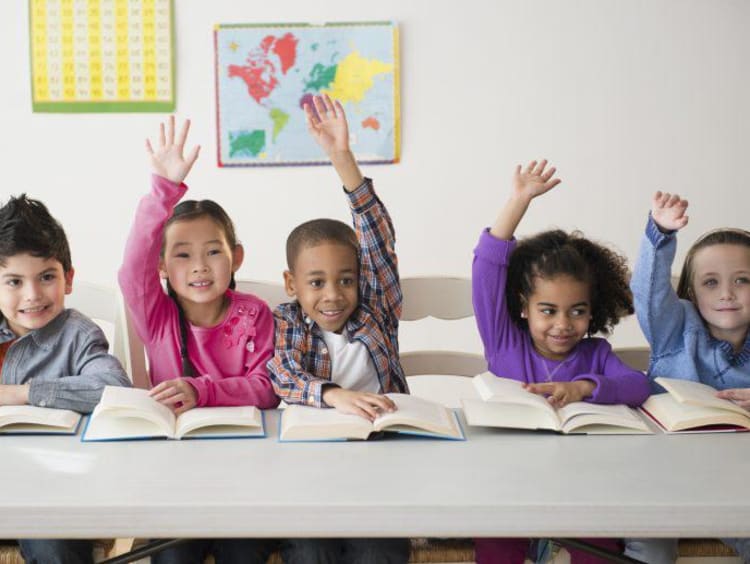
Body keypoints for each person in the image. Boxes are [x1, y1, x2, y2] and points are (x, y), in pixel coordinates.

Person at [471, 160, 650, 563]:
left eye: (577, 311)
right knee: (495, 545)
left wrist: (584, 387)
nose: (563, 325)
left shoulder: (596, 355)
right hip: (509, 487)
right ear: (523, 307)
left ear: (594, 309)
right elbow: (486, 267)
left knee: (601, 548)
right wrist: (518, 201)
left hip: (583, 490)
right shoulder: (504, 344)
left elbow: (640, 386)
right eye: (548, 310)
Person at [118, 116, 279, 564]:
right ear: (163, 268)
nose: (200, 266)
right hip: (176, 474)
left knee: (243, 552)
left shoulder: (255, 314)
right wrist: (163, 189)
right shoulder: (158, 316)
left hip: (245, 470)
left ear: (236, 257)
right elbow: (132, 269)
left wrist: (200, 389)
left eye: (213, 252)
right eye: (183, 255)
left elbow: (267, 388)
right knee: (171, 556)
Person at [268, 94, 410, 564]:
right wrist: (335, 395)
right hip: (309, 466)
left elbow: (375, 236)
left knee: (378, 550)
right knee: (309, 549)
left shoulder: (377, 310)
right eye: (316, 282)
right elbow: (284, 376)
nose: (333, 295)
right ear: (292, 284)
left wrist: (342, 160)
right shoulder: (289, 321)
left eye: (345, 279)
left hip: (379, 461)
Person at [0, 194, 130, 564]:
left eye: (46, 277)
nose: (33, 295)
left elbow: (113, 388)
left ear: (68, 278)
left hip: (53, 493)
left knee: (53, 545)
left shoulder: (76, 334)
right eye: (13, 281)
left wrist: (22, 394)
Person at [627, 191, 750, 564]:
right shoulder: (675, 329)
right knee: (651, 549)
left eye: (743, 280)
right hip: (663, 483)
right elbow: (648, 293)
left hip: (736, 491)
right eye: (710, 282)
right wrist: (661, 234)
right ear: (692, 292)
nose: (727, 293)